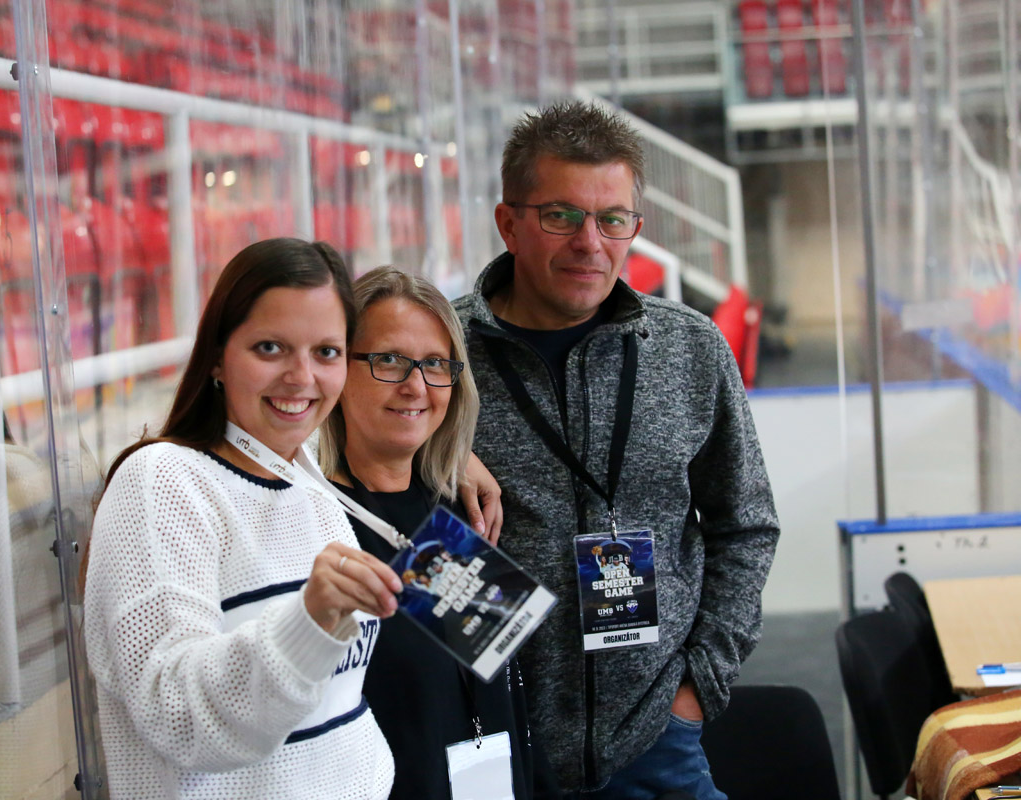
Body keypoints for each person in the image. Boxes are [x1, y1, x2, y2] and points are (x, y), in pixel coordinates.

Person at [452, 101, 780, 799]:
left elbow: (745, 525)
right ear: (508, 223)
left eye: (612, 219)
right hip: (497, 744)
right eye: (561, 216)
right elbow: (353, 480)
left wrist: (697, 687)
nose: (589, 243)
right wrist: (442, 451)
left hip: (657, 740)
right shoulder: (440, 357)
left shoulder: (689, 348)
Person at [83, 238, 401, 799]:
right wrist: (307, 621)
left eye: (326, 352)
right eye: (270, 348)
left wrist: (459, 458)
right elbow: (177, 715)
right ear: (216, 358)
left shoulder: (308, 483)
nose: (302, 377)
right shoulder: (162, 481)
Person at [319, 266, 559, 800]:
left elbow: (506, 689)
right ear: (337, 368)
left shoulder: (454, 514)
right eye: (388, 360)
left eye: (434, 364)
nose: (416, 386)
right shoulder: (319, 527)